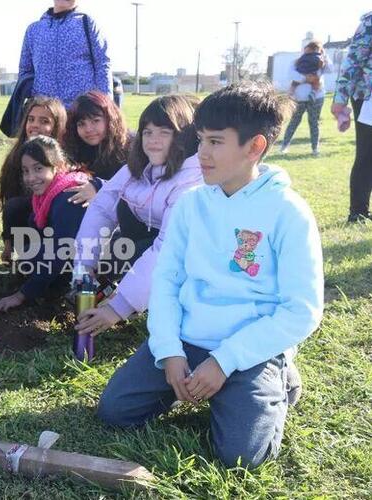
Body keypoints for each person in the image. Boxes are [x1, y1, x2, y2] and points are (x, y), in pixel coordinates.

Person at [97, 82, 324, 469]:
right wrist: (169, 351)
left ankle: (280, 377)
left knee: (241, 457)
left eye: (215, 142)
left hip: (248, 350)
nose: (201, 152)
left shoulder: (288, 212)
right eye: (200, 139)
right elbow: (167, 282)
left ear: (255, 147)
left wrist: (224, 362)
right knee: (115, 411)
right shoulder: (191, 205)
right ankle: (202, 384)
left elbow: (302, 310)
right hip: (188, 339)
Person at [73, 95, 202, 337]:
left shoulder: (192, 182)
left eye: (164, 132)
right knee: (120, 224)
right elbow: (101, 208)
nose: (153, 141)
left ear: (183, 136)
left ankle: (175, 306)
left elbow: (169, 249)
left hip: (194, 257)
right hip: (151, 241)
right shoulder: (138, 168)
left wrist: (117, 308)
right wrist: (84, 265)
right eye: (147, 132)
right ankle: (117, 288)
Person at [0, 136, 87, 312]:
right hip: (67, 254)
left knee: (31, 258)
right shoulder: (49, 192)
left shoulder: (69, 197)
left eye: (38, 168)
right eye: (25, 171)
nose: (30, 178)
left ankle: (63, 288)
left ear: (58, 166)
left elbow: (59, 252)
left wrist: (21, 295)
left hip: (90, 263)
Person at [0, 96, 67, 262]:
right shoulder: (16, 157)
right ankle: (22, 254)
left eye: (44, 121)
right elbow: (9, 201)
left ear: (57, 127)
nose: (35, 125)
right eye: (31, 119)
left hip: (54, 219)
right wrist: (8, 242)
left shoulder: (63, 157)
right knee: (15, 206)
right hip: (27, 220)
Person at [18, 0, 112, 108]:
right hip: (46, 112)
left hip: (81, 111)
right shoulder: (34, 30)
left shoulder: (87, 23)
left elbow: (102, 65)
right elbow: (25, 71)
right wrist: (33, 101)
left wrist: (105, 107)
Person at [331, 11, 372, 223]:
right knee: (367, 155)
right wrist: (340, 99)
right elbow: (353, 61)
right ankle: (358, 211)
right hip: (368, 96)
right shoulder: (370, 22)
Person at [63, 90, 131, 206]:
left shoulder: (130, 148)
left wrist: (99, 187)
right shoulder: (74, 149)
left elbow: (135, 188)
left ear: (110, 119)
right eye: (81, 124)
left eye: (95, 121)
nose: (88, 129)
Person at [280, 41, 332, 157]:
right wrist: (306, 78)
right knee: (294, 122)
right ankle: (284, 146)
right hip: (299, 97)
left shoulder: (321, 61)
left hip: (316, 98)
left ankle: (315, 148)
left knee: (314, 123)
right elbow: (291, 75)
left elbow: (330, 69)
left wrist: (325, 56)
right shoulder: (297, 61)